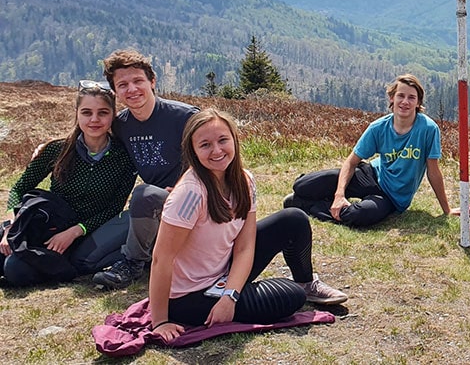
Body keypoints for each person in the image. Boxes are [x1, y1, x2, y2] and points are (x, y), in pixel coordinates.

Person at [150, 109, 347, 342]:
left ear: (234, 139)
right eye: (205, 145)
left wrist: (230, 296)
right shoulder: (190, 193)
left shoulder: (244, 180)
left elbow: (245, 246)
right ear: (193, 150)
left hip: (223, 270)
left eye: (223, 140)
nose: (217, 150)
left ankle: (306, 283)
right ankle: (290, 290)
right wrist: (160, 321)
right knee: (290, 297)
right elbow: (161, 258)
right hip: (190, 296)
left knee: (293, 219)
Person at [0, 81, 137, 286]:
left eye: (102, 113)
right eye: (86, 112)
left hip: (85, 234)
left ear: (113, 115)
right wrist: (10, 225)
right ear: (77, 114)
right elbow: (20, 188)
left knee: (14, 270)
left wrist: (75, 231)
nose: (94, 119)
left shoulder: (123, 157)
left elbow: (114, 208)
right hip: (46, 225)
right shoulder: (58, 150)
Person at [284, 74, 456, 227]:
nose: (405, 102)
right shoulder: (378, 127)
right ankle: (320, 197)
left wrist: (446, 210)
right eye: (400, 96)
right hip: (369, 174)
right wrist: (339, 194)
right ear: (391, 98)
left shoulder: (428, 129)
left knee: (360, 215)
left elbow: (433, 171)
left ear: (418, 102)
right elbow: (351, 162)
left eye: (411, 97)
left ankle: (304, 205)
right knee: (301, 185)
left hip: (390, 197)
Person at [92, 49, 199, 290]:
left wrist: (185, 188)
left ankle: (132, 264)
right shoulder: (121, 125)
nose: (132, 89)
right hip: (153, 211)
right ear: (115, 91)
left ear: (152, 81)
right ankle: (154, 253)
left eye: (138, 81)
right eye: (123, 85)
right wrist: (51, 148)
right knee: (86, 260)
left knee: (144, 194)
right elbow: (92, 135)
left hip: (193, 201)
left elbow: (215, 161)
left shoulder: (184, 117)